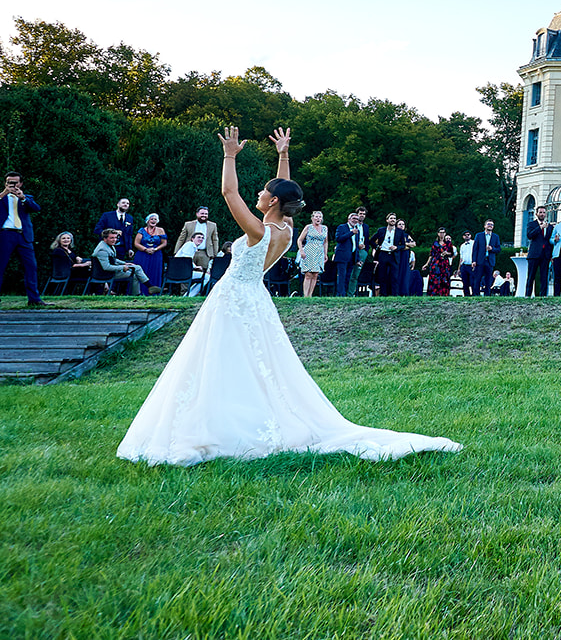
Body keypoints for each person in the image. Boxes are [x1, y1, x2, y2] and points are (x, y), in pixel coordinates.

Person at [118, 127, 461, 466]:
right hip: (254, 298)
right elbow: (284, 191)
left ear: (273, 201)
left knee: (223, 361)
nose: (259, 193)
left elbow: (228, 191)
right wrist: (283, 155)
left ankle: (224, 424)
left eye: (265, 192)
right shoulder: (286, 228)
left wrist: (229, 154)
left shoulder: (257, 230)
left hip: (234, 299)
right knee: (252, 364)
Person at [1, 172, 44, 306]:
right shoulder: (1, 197)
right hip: (5, 235)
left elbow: (36, 208)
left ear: (20, 184)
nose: (12, 185)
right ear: (5, 183)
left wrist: (23, 197)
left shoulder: (26, 198)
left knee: (31, 267)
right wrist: (4, 193)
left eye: (15, 182)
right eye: (9, 182)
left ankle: (34, 299)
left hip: (23, 236)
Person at [92, 228, 150, 295]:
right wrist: (122, 267)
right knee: (135, 273)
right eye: (112, 238)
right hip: (104, 274)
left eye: (115, 238)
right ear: (105, 239)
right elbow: (106, 267)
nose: (114, 240)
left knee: (136, 268)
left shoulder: (109, 246)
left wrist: (125, 263)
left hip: (109, 272)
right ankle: (144, 290)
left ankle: (145, 290)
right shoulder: (102, 250)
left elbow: (113, 259)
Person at [175, 207, 221, 279]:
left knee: (203, 275)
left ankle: (199, 290)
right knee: (186, 272)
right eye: (202, 213)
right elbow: (181, 238)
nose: (204, 215)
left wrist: (215, 254)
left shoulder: (213, 225)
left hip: (204, 253)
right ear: (197, 214)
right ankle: (185, 290)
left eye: (206, 214)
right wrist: (177, 251)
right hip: (190, 252)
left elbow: (215, 240)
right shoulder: (188, 224)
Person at [296, 210, 329, 298]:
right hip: (309, 251)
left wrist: (325, 254)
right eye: (316, 217)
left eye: (320, 217)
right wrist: (301, 251)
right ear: (312, 218)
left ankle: (310, 295)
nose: (318, 218)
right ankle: (305, 295)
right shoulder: (308, 227)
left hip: (319, 252)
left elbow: (325, 242)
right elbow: (299, 240)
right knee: (308, 274)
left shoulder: (325, 228)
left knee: (315, 274)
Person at [132, 214, 166, 297]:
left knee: (155, 272)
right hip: (143, 255)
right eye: (152, 219)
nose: (153, 221)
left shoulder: (160, 230)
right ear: (147, 221)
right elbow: (136, 243)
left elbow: (164, 243)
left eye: (155, 219)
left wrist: (155, 249)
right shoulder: (141, 230)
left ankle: (154, 291)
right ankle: (140, 292)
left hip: (156, 255)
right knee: (142, 272)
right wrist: (145, 249)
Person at [525, 205, 553, 297]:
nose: (542, 214)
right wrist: (540, 227)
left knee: (544, 276)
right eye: (540, 212)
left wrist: (551, 254)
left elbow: (550, 241)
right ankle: (528, 295)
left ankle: (543, 295)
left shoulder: (550, 227)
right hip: (534, 254)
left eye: (544, 212)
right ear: (536, 214)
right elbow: (529, 235)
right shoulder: (531, 224)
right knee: (531, 276)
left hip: (545, 254)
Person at [471, 220, 501, 297]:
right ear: (485, 226)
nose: (490, 226)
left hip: (489, 260)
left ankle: (487, 294)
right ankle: (476, 294)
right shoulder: (479, 235)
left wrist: (492, 248)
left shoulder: (495, 237)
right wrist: (474, 260)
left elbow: (498, 249)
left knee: (488, 279)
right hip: (480, 260)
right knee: (478, 278)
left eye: (492, 225)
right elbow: (475, 249)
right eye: (488, 224)